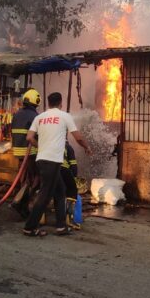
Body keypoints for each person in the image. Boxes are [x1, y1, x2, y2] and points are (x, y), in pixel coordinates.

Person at [23, 92, 91, 237]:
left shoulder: (39, 117)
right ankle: (30, 227)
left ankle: (61, 226)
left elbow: (29, 137)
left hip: (41, 159)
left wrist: (40, 146)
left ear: (48, 103)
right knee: (45, 195)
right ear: (60, 103)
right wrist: (87, 147)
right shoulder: (65, 116)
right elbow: (78, 137)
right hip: (53, 161)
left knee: (60, 191)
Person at [10, 89, 40, 218]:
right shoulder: (35, 116)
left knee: (24, 178)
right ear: (36, 102)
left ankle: (22, 203)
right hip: (30, 152)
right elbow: (37, 135)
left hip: (18, 151)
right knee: (35, 179)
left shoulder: (17, 114)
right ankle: (20, 202)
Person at [60, 142, 80, 230]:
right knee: (72, 191)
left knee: (46, 192)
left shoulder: (49, 142)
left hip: (48, 169)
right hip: (63, 169)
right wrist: (74, 179)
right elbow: (73, 164)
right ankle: (69, 219)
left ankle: (41, 218)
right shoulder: (68, 146)